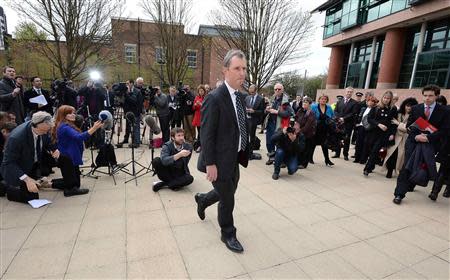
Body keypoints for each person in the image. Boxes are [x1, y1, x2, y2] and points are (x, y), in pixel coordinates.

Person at [194, 49, 250, 253]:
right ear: (226, 70)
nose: (242, 73)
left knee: (229, 191)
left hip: (234, 157)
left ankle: (203, 199)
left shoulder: (240, 97)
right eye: (237, 68)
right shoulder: (214, 98)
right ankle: (228, 233)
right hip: (217, 160)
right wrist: (210, 164)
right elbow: (206, 135)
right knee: (228, 198)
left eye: (244, 68)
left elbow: (239, 126)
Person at [393, 85, 449, 204]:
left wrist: (428, 137)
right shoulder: (415, 108)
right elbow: (409, 126)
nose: (427, 98)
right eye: (425, 95)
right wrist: (416, 136)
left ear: (436, 96)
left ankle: (413, 183)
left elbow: (445, 130)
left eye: (430, 96)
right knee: (406, 167)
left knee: (422, 167)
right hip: (413, 142)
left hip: (430, 144)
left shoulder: (445, 111)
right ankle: (399, 194)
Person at [1, 112, 66, 203]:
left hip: (32, 162)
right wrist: (27, 179)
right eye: (44, 131)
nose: (46, 133)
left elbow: (47, 139)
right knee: (31, 198)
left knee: (34, 189)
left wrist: (54, 149)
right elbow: (9, 163)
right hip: (19, 167)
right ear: (37, 125)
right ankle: (8, 189)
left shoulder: (42, 128)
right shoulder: (17, 138)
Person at [52, 105, 103, 196]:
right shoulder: (64, 127)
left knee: (75, 181)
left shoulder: (66, 124)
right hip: (67, 156)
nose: (73, 115)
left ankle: (49, 183)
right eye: (70, 113)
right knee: (73, 185)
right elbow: (79, 137)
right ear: (64, 115)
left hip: (69, 155)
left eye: (74, 113)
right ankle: (69, 190)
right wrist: (94, 128)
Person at [383, 98, 418, 178]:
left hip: (405, 138)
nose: (409, 108)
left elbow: (409, 129)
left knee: (400, 156)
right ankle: (389, 171)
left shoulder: (414, 116)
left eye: (411, 106)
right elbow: (392, 124)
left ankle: (397, 171)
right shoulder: (398, 113)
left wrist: (398, 123)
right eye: (407, 106)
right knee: (391, 154)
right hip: (395, 136)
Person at [363, 91, 396, 176]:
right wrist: (378, 124)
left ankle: (367, 169)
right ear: (382, 98)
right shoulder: (376, 107)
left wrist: (392, 133)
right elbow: (369, 119)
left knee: (375, 150)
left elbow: (393, 123)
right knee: (371, 149)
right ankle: (372, 164)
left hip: (384, 134)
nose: (386, 100)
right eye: (385, 98)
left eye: (388, 98)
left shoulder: (393, 109)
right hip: (374, 132)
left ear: (391, 99)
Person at [152, 127, 194, 192]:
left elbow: (185, 163)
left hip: (179, 172)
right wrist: (179, 154)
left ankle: (164, 184)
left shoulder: (188, 146)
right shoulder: (167, 146)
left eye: (182, 135)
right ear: (173, 138)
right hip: (167, 171)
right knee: (156, 160)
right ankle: (174, 184)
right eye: (178, 136)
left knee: (190, 178)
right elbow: (164, 161)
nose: (181, 138)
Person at [265, 83, 293, 165]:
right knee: (269, 142)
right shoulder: (272, 99)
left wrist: (277, 112)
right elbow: (266, 111)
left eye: (279, 89)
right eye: (275, 89)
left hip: (279, 125)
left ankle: (279, 160)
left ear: (282, 90)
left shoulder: (286, 101)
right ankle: (271, 157)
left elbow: (288, 113)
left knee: (279, 143)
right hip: (270, 124)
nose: (277, 90)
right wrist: (267, 109)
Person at [333, 87, 360, 161]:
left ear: (352, 93)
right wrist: (338, 118)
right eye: (348, 91)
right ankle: (337, 153)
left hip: (348, 124)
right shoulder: (340, 101)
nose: (349, 93)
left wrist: (343, 118)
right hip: (339, 123)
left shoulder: (354, 103)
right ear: (345, 92)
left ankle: (345, 154)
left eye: (351, 92)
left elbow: (353, 113)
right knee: (338, 138)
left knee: (346, 139)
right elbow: (336, 111)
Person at [311, 95, 335, 166]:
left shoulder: (329, 107)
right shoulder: (314, 107)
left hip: (325, 129)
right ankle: (310, 158)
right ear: (319, 100)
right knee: (313, 144)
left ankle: (327, 160)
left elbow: (332, 116)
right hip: (316, 128)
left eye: (325, 99)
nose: (323, 100)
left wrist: (328, 118)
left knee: (325, 144)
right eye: (322, 99)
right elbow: (311, 117)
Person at [353, 95, 378, 164]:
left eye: (372, 101)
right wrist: (358, 123)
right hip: (361, 127)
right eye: (368, 101)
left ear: (374, 103)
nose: (369, 102)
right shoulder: (364, 108)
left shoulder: (375, 110)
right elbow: (360, 117)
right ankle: (357, 158)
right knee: (358, 143)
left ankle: (363, 159)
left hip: (369, 129)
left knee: (365, 144)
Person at [245, 84, 264, 159]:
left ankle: (250, 153)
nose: (251, 94)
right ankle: (246, 152)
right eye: (250, 92)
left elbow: (262, 111)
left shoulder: (260, 99)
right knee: (246, 136)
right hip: (246, 119)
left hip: (254, 120)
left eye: (252, 92)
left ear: (256, 91)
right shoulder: (247, 98)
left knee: (252, 136)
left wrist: (254, 111)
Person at [296, 97, 316, 168]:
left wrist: (298, 131)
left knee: (306, 149)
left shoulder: (311, 113)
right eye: (303, 101)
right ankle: (298, 162)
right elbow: (296, 119)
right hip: (299, 132)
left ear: (310, 104)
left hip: (307, 134)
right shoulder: (300, 110)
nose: (304, 103)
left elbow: (307, 126)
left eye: (306, 102)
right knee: (299, 148)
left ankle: (304, 164)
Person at [192, 85, 206, 152]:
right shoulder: (196, 97)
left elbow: (207, 107)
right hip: (198, 117)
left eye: (202, 90)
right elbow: (194, 108)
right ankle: (199, 146)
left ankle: (200, 146)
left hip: (204, 117)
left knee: (203, 132)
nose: (201, 92)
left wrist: (200, 104)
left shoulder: (206, 97)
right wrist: (195, 105)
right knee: (199, 132)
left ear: (204, 91)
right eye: (200, 91)